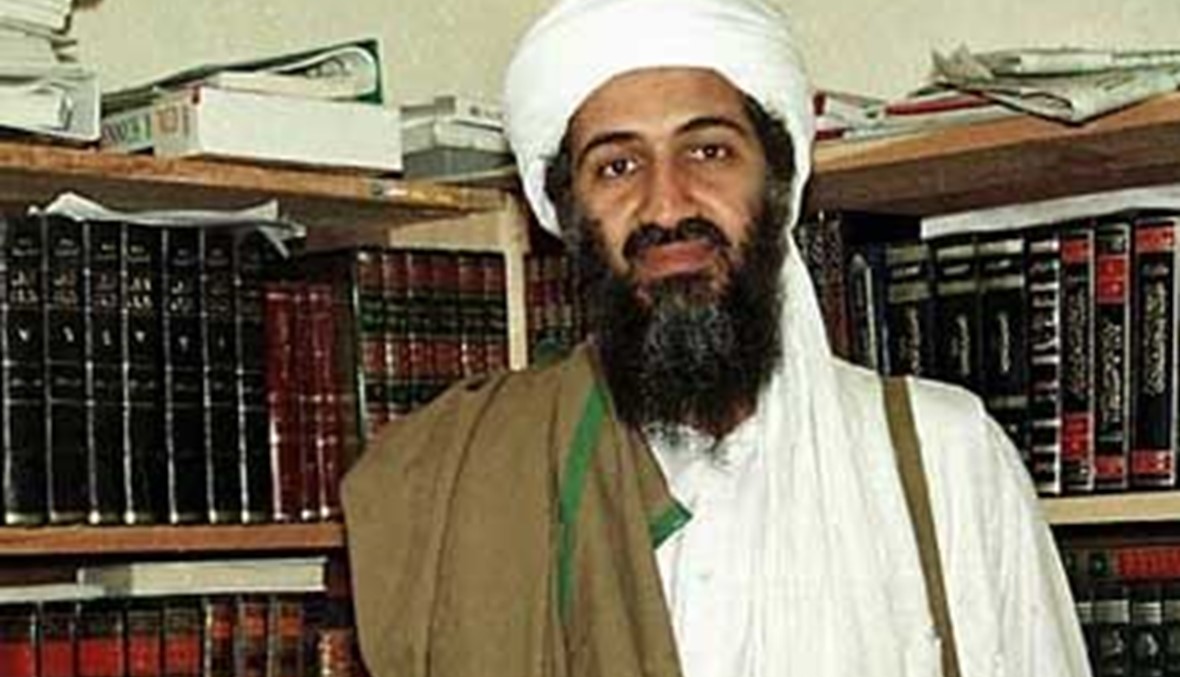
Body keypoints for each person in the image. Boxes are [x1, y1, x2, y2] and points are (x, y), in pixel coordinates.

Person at [342, 0, 1091, 675]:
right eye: (617, 166)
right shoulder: (475, 477)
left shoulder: (942, 454)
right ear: (572, 218)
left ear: (779, 182)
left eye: (708, 152)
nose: (666, 204)